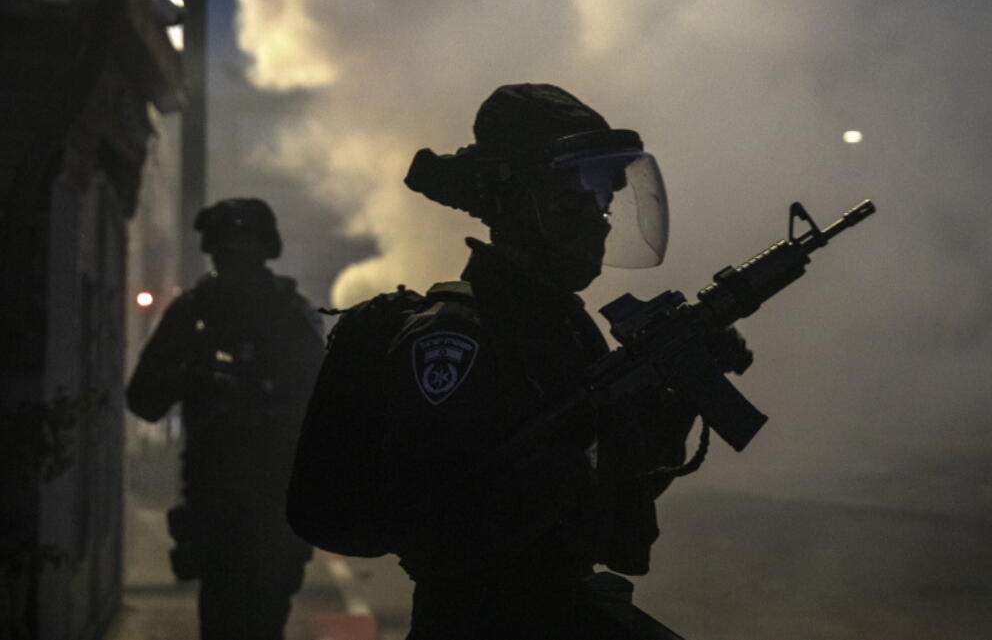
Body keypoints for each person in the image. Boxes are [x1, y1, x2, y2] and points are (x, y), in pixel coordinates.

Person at [287, 84, 751, 639]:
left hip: (550, 609)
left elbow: (614, 508)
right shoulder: (454, 340)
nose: (599, 221)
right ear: (516, 205)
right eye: (572, 201)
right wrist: (567, 462)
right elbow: (445, 528)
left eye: (602, 201)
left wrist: (672, 403)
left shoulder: (564, 329)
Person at [127, 198, 324, 640]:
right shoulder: (193, 314)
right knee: (222, 620)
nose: (235, 264)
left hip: (273, 500)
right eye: (226, 253)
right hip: (216, 501)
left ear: (264, 252)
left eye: (244, 253)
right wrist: (195, 372)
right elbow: (143, 399)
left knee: (262, 619)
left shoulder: (289, 314)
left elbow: (323, 406)